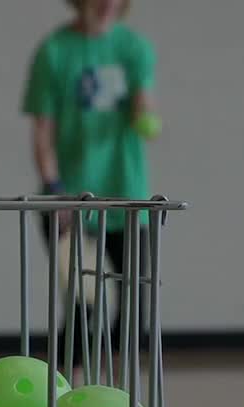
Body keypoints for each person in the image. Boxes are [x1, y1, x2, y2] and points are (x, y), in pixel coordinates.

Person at [21, 0, 159, 381]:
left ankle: (117, 387)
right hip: (70, 200)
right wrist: (54, 189)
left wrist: (144, 113)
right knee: (85, 302)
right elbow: (42, 132)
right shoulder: (55, 52)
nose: (107, 4)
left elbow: (144, 102)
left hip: (126, 196)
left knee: (134, 302)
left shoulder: (135, 49)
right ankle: (68, 385)